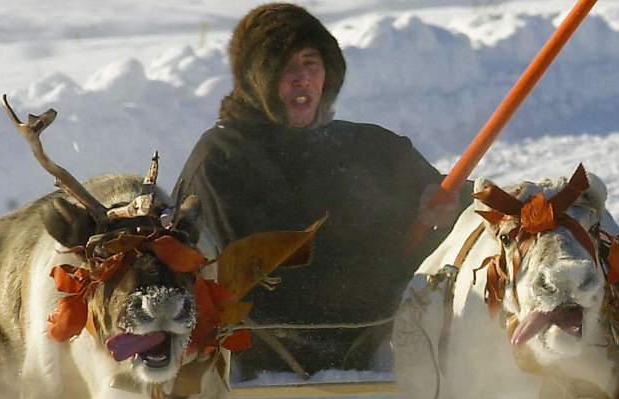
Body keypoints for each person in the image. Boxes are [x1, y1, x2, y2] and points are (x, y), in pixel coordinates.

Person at [175, 2, 470, 378]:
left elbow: (459, 207)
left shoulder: (372, 146)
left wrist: (445, 204)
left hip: (386, 354)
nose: (302, 78)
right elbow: (240, 283)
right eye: (284, 66)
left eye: (311, 63)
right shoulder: (221, 160)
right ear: (254, 78)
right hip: (267, 370)